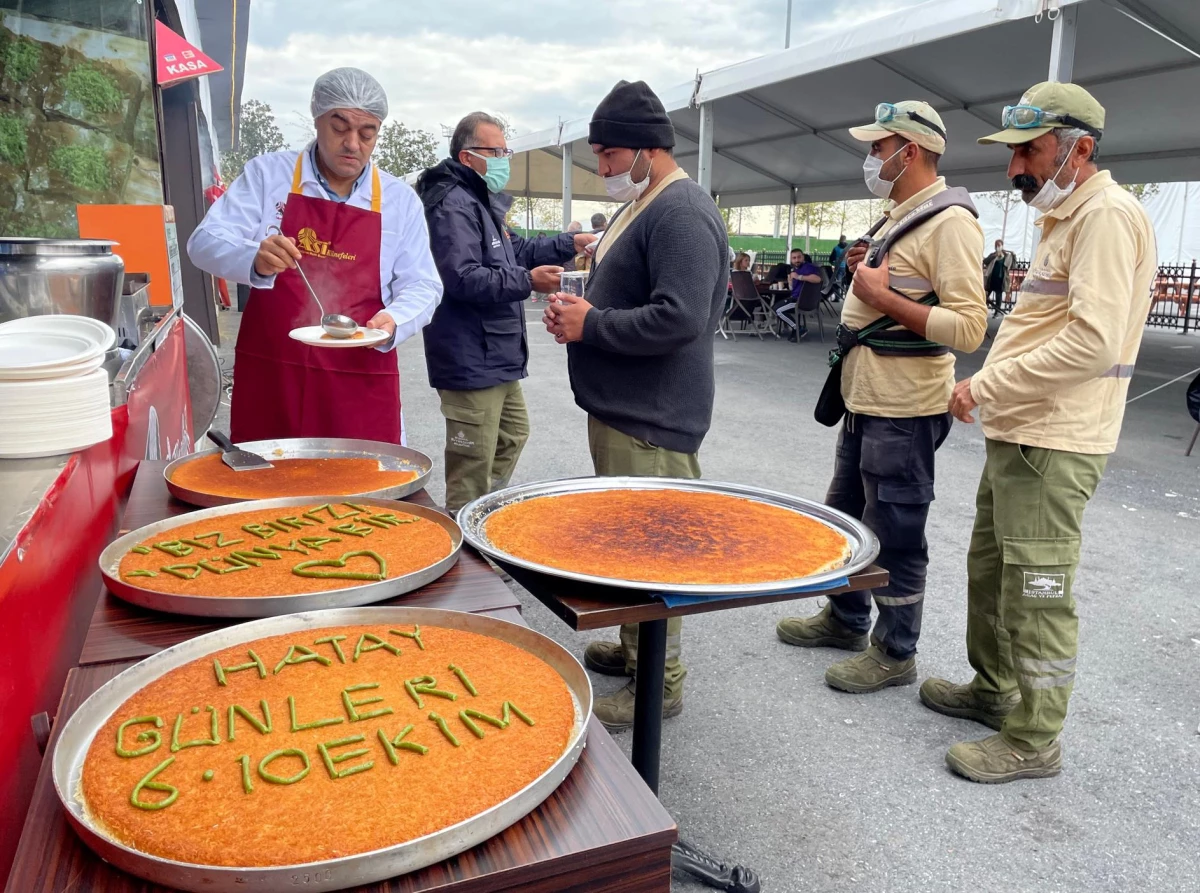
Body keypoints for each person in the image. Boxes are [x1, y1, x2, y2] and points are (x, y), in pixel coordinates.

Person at [930, 83, 1156, 783]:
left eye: (1028, 151)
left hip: (1056, 443)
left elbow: (1091, 342)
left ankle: (1034, 737)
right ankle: (995, 689)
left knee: (1036, 589)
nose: (1015, 169)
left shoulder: (1107, 218)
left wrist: (983, 385)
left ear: (1078, 150)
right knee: (991, 573)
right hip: (1025, 434)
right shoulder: (1067, 218)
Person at [775, 101, 987, 693]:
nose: (870, 157)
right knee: (846, 513)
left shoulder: (951, 222)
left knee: (895, 526)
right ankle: (846, 619)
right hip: (866, 397)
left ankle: (895, 652)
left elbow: (970, 328)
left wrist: (883, 297)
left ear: (909, 151)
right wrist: (868, 277)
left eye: (878, 147)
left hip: (904, 405)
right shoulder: (903, 214)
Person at [543, 80, 728, 730]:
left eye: (610, 155)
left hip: (653, 418)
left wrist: (591, 326)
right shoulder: (646, 201)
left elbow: (678, 318)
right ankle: (633, 649)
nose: (603, 169)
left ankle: (661, 680)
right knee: (627, 545)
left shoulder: (680, 211)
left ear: (649, 148)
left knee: (653, 551)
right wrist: (581, 315)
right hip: (626, 409)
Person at [188, 68, 442, 444]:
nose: (353, 143)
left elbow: (423, 284)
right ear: (317, 118)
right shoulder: (267, 175)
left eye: (367, 133)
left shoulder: (399, 201)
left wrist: (394, 319)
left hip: (360, 379)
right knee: (268, 488)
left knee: (363, 489)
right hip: (274, 375)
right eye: (340, 127)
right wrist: (253, 256)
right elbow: (203, 243)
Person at [417, 112, 597, 516]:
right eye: (494, 151)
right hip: (469, 355)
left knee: (512, 435)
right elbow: (461, 278)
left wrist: (570, 242)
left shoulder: (479, 203)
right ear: (467, 157)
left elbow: (515, 252)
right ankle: (466, 534)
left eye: (505, 150)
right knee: (472, 460)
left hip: (495, 354)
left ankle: (478, 513)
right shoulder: (451, 205)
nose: (503, 158)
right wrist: (528, 282)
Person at [773, 247, 821, 340]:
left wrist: (799, 277)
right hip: (796, 298)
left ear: (803, 257)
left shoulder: (808, 267)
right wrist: (790, 281)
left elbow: (818, 279)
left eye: (799, 257)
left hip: (801, 301)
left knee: (778, 310)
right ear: (791, 260)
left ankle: (798, 328)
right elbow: (793, 288)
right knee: (776, 306)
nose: (797, 260)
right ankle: (797, 328)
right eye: (794, 258)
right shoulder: (795, 270)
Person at [983, 239, 1016, 317]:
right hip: (992, 278)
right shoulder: (993, 255)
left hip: (1001, 279)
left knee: (998, 295)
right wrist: (993, 256)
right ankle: (983, 309)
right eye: (997, 245)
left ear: (1002, 246)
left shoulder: (1006, 255)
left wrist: (1013, 256)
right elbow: (985, 261)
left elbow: (1012, 265)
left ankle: (997, 311)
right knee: (985, 295)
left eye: (1000, 245)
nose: (998, 247)